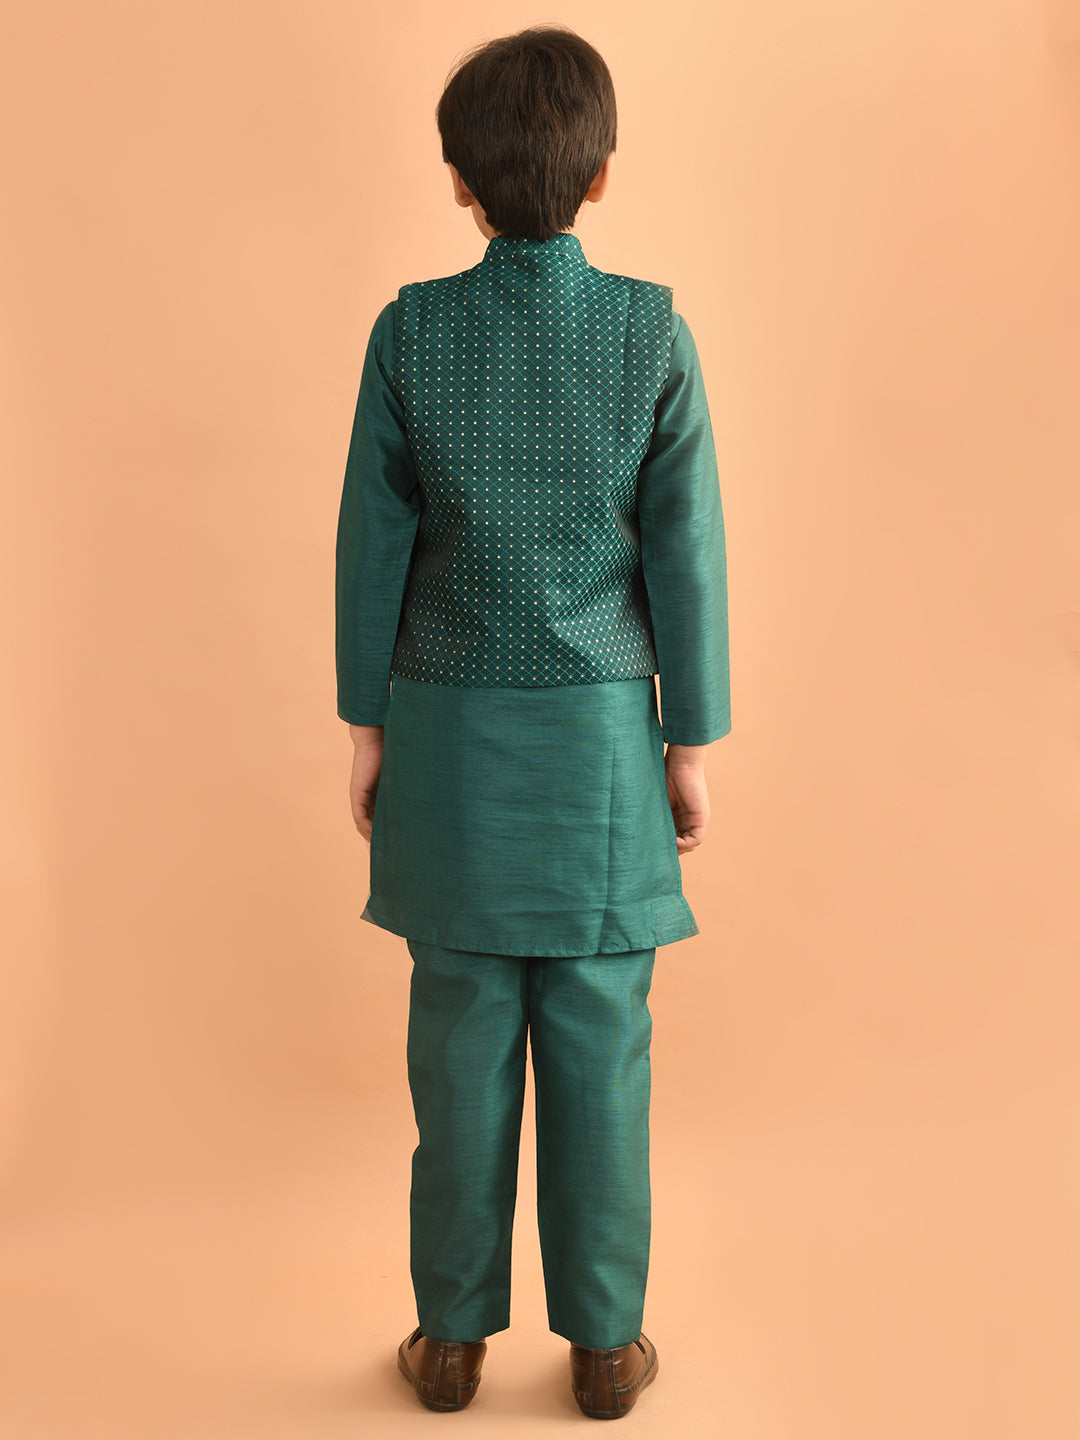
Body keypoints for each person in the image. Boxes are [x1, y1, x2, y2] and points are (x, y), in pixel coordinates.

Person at [334, 24, 731, 1421]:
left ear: (460, 180)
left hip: (448, 748)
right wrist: (689, 745)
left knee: (457, 1053)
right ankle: (607, 1349)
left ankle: (449, 1345)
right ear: (600, 174)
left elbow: (372, 550)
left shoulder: (410, 332)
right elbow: (684, 555)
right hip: (603, 759)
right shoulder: (650, 332)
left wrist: (367, 729)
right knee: (602, 1051)